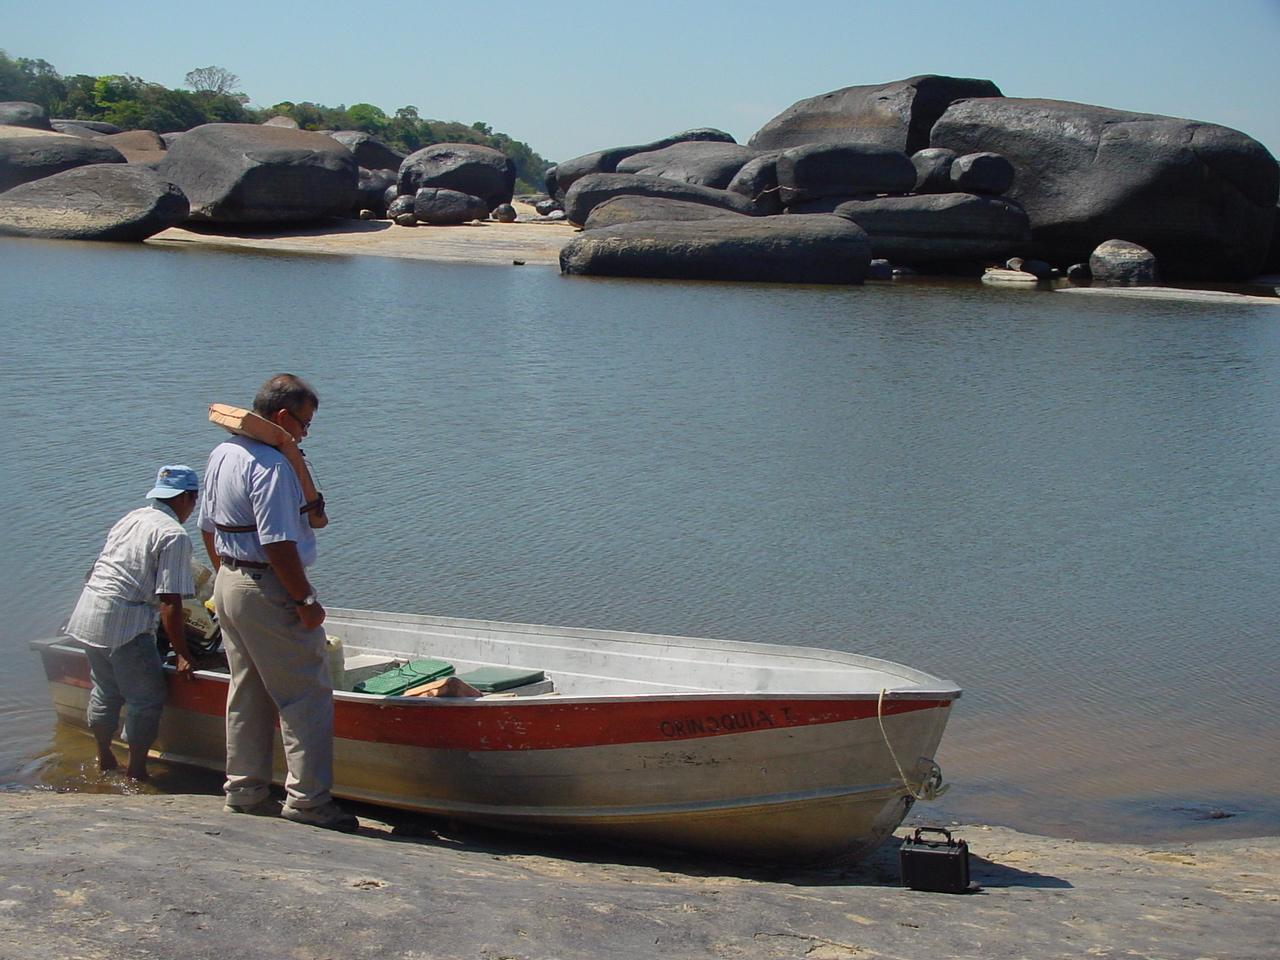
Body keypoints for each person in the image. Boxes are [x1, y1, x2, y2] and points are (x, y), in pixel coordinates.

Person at [197, 374, 357, 832]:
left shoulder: (222, 454)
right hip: (268, 588)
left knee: (246, 691)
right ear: (283, 417)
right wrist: (303, 598)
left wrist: (228, 574)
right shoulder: (270, 466)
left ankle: (244, 791)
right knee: (304, 694)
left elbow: (208, 527)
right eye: (305, 424)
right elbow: (278, 543)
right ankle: (308, 802)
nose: (305, 434)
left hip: (229, 583)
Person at [65, 465, 201, 781]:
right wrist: (182, 653)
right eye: (193, 502)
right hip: (125, 622)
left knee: (106, 689)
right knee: (146, 698)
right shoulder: (173, 535)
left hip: (88, 611)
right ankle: (136, 772)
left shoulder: (131, 518)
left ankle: (104, 757)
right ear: (187, 499)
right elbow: (170, 602)